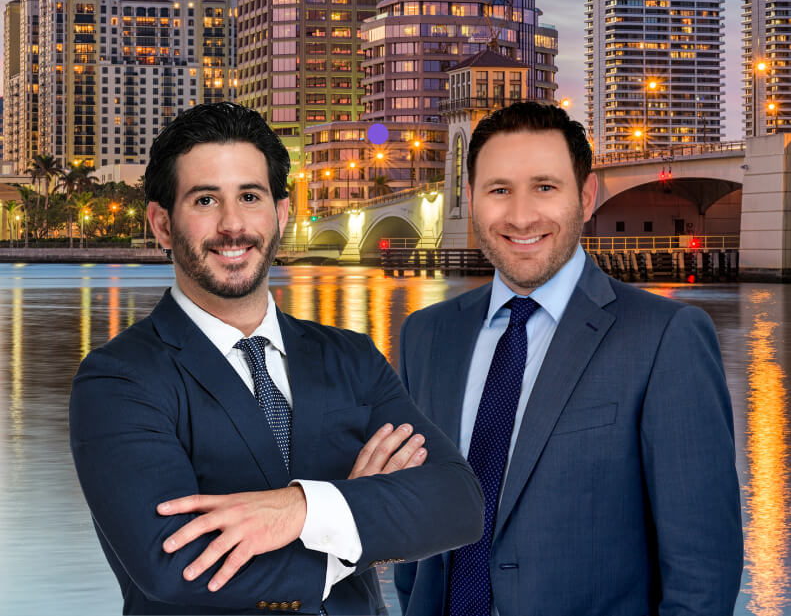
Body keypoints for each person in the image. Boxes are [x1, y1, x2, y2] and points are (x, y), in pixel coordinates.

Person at [70, 102, 483, 615]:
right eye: (204, 200)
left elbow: (458, 503)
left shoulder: (351, 357)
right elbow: (174, 566)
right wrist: (353, 524)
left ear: (281, 213)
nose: (232, 224)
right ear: (161, 223)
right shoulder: (119, 380)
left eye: (250, 196)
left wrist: (302, 508)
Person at [396, 101, 743, 616]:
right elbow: (416, 544)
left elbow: (702, 577)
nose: (520, 216)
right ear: (470, 199)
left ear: (585, 196)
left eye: (544, 186)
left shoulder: (665, 337)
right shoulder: (426, 335)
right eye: (498, 190)